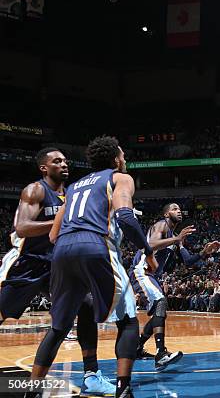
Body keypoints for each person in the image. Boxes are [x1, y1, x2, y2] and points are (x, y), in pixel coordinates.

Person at [26, 136, 156, 398]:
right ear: (115, 159)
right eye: (123, 155)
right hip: (96, 245)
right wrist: (148, 251)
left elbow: (53, 235)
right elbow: (126, 217)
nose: (125, 160)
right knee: (128, 320)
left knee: (59, 328)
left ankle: (31, 392)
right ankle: (123, 389)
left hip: (62, 251)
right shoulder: (120, 178)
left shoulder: (72, 187)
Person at [0, 148, 114, 395]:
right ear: (44, 168)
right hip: (28, 263)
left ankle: (91, 374)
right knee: (2, 312)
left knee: (86, 305)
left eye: (65, 160)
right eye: (57, 161)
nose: (64, 164)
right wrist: (65, 221)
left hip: (58, 263)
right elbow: (22, 228)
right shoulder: (36, 190)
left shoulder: (71, 194)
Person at [129, 203, 220, 370]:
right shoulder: (161, 225)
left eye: (179, 209)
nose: (178, 211)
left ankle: (137, 347)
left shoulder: (175, 238)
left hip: (152, 275)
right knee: (161, 303)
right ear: (166, 214)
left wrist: (204, 252)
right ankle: (160, 354)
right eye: (174, 209)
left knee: (160, 311)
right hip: (141, 270)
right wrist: (177, 239)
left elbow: (188, 262)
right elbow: (150, 244)